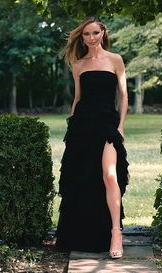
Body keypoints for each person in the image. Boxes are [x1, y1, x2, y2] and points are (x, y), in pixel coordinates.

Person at [56, 16, 129, 259]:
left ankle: (115, 233)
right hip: (82, 126)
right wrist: (72, 126)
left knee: (110, 176)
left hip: (107, 125)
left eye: (95, 33)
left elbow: (124, 95)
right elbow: (78, 98)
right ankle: (82, 235)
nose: (91, 38)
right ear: (82, 37)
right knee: (82, 179)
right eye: (86, 34)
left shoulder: (115, 60)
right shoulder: (79, 64)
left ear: (102, 32)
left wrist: (121, 127)